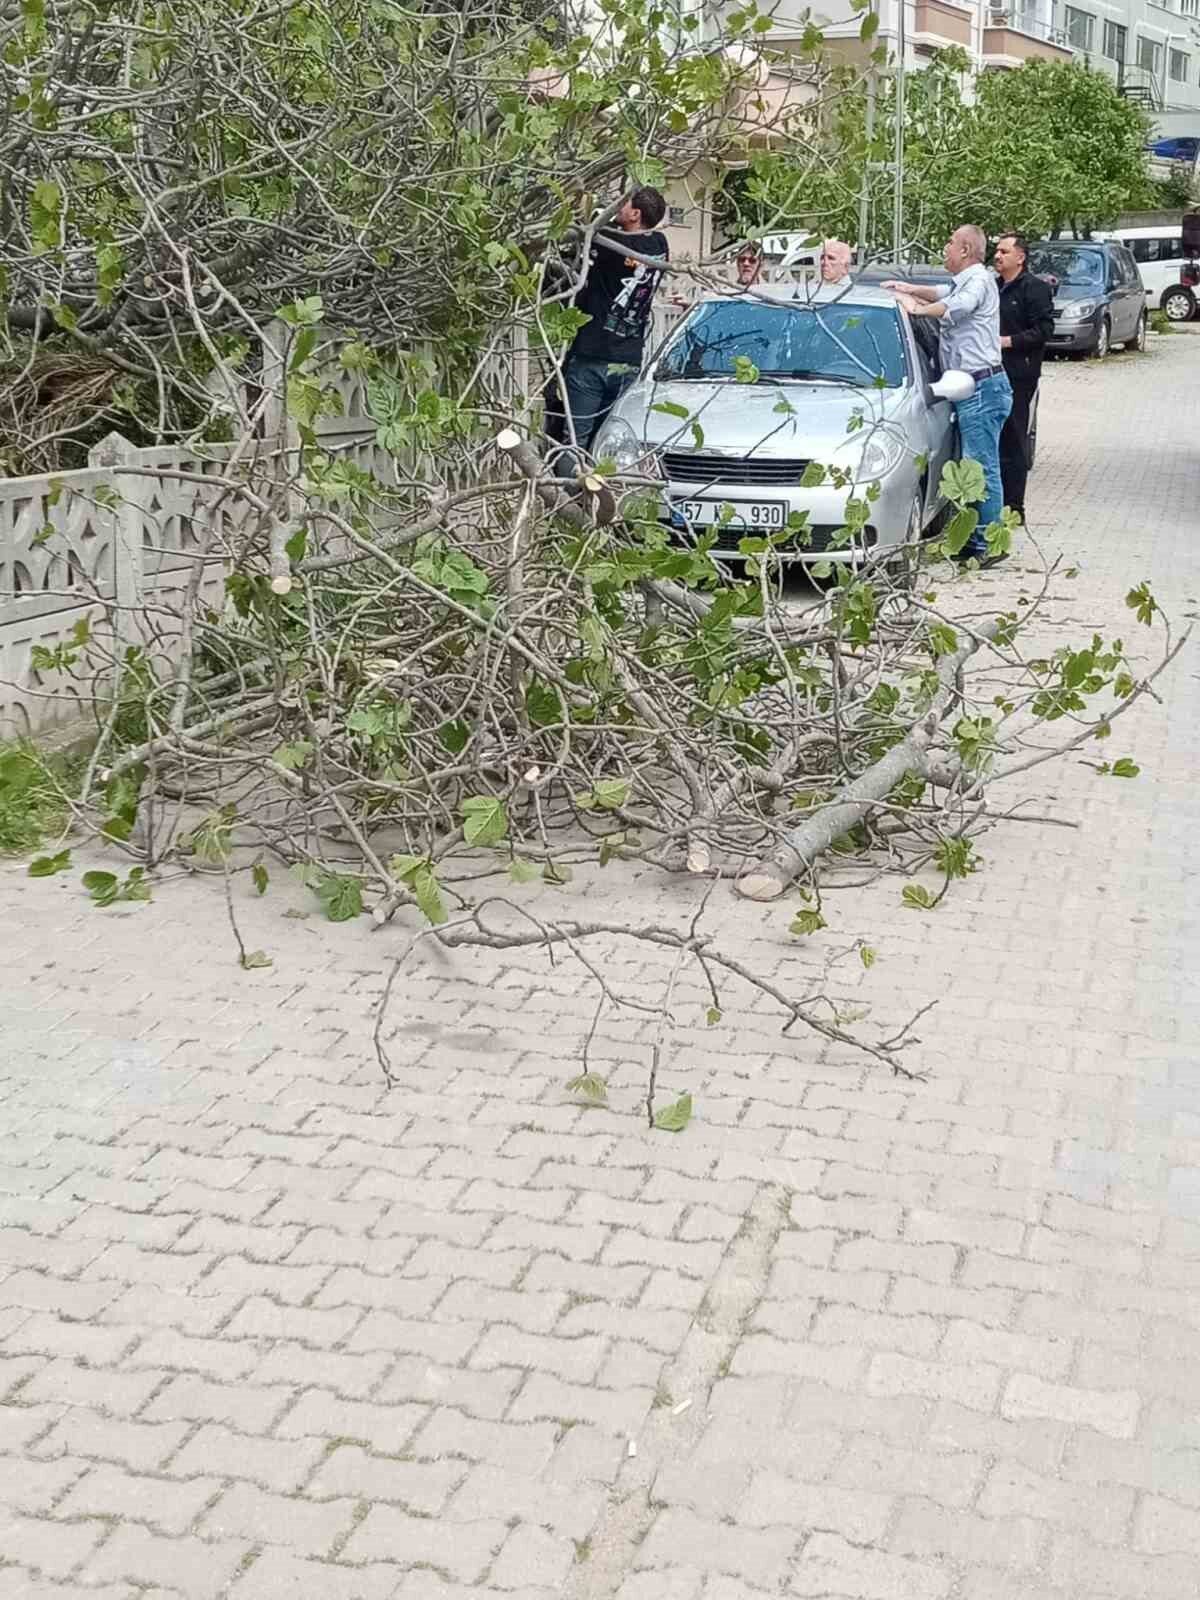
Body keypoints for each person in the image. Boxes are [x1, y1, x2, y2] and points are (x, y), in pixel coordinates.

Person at [883, 225, 1012, 567]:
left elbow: (957, 306)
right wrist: (910, 288)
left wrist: (916, 309)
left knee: (981, 467)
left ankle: (988, 544)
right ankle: (974, 539)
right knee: (973, 467)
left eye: (951, 243)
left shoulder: (979, 283)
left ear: (966, 250)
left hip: (982, 388)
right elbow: (943, 291)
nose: (945, 247)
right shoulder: (967, 279)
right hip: (972, 387)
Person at [559, 187, 669, 457]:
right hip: (628, 360)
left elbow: (581, 234)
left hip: (593, 355)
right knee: (609, 442)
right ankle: (603, 494)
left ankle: (567, 496)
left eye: (623, 203)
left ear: (635, 214)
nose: (617, 207)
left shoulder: (607, 241)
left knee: (575, 439)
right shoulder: (660, 245)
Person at [994, 231, 1053, 526]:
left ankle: (1014, 508)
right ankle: (993, 503)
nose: (998, 256)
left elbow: (1043, 331)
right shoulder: (993, 287)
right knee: (995, 440)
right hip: (990, 373)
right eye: (996, 251)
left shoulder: (1034, 289)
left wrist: (1008, 342)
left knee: (1014, 440)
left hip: (1019, 375)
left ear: (1020, 257)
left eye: (1004, 251)